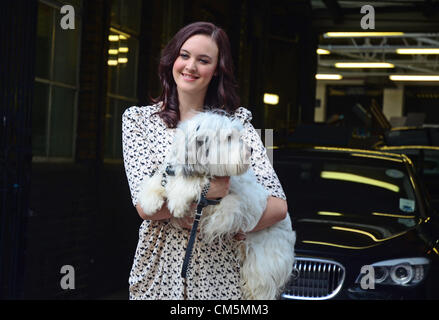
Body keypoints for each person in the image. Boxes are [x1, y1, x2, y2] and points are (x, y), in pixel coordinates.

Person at [122, 21, 288, 300]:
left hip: (223, 276)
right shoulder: (138, 121)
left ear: (215, 71)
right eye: (184, 55)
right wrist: (210, 192)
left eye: (203, 60)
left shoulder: (241, 124)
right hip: (160, 273)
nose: (190, 66)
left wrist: (220, 220)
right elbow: (145, 208)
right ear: (171, 60)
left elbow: (278, 206)